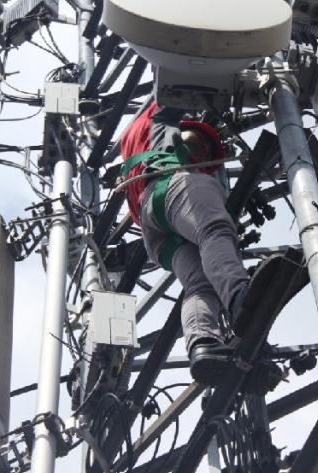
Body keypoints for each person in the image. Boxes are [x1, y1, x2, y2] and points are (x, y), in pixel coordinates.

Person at [119, 101, 278, 388]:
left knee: (200, 285)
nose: (202, 151)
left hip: (155, 227)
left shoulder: (135, 148)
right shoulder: (161, 125)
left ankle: (203, 342)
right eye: (198, 141)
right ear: (178, 134)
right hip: (170, 187)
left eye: (207, 151)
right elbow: (172, 88)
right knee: (216, 231)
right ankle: (242, 302)